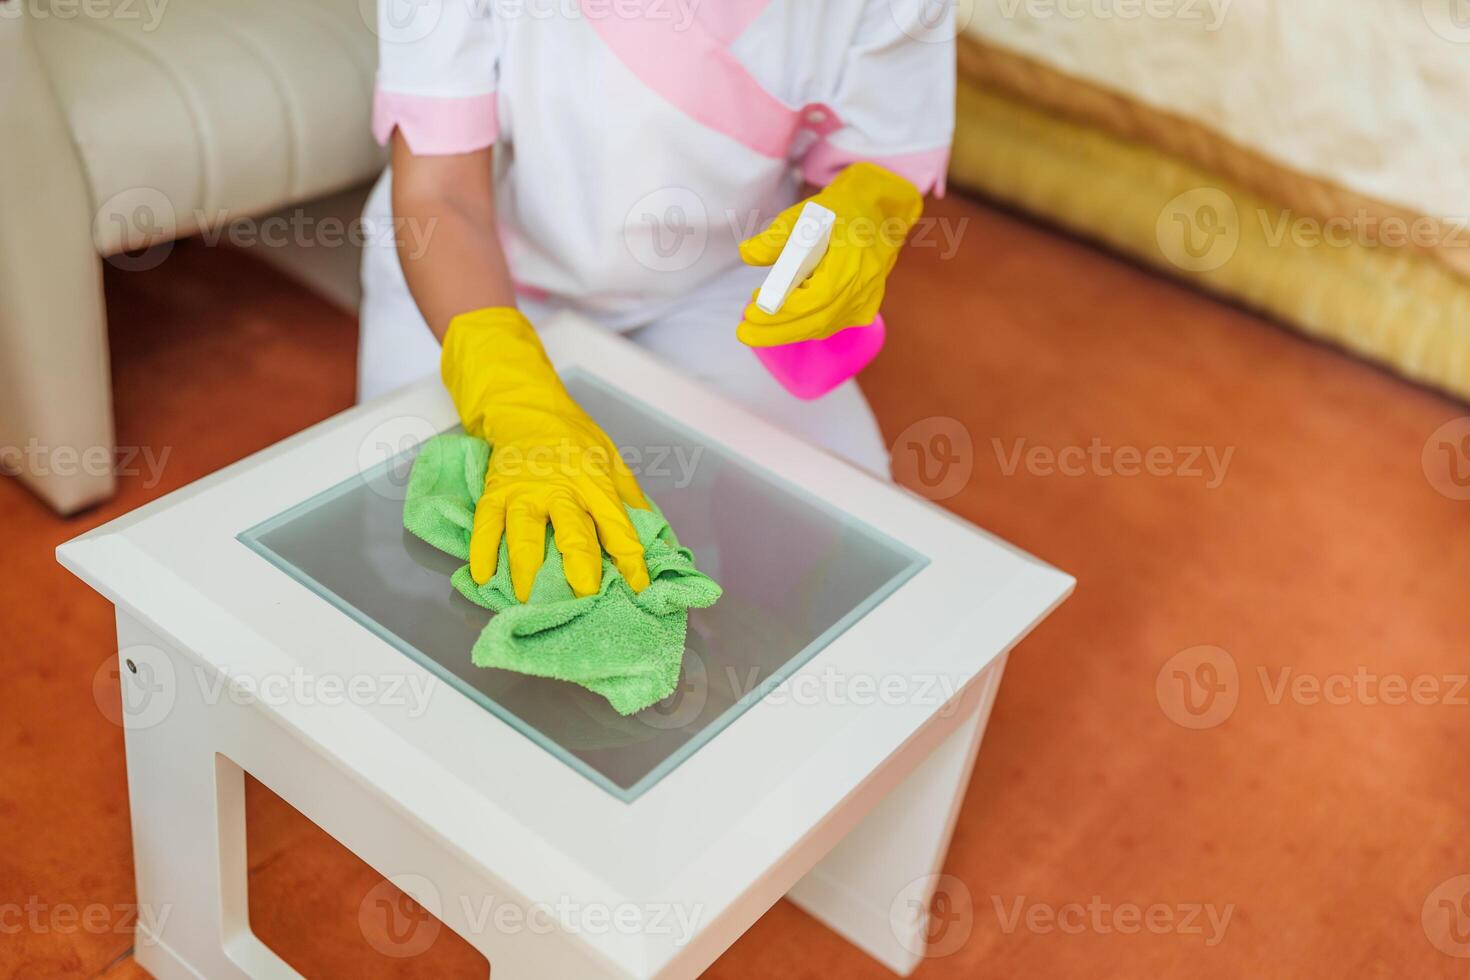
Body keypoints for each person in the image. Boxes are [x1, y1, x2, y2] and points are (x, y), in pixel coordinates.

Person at [361, 0, 955, 602]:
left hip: (722, 280)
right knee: (435, 562)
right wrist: (510, 389)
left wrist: (867, 210)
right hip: (476, 271)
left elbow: (876, 152)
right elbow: (441, 192)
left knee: (851, 548)